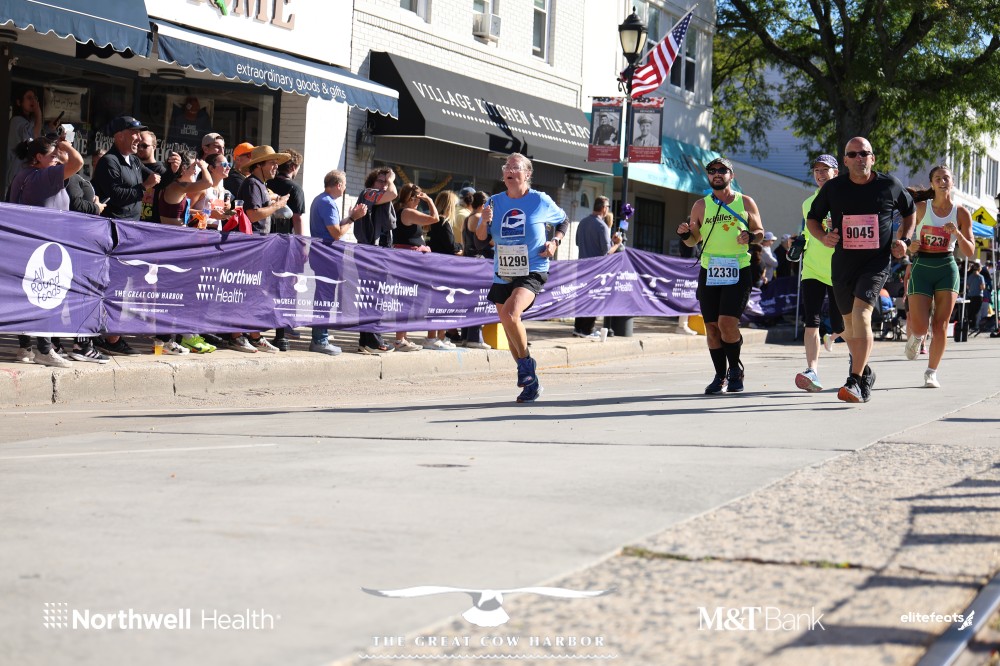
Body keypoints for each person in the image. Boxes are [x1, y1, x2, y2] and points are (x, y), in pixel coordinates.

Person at [806, 137, 915, 403]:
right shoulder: (833, 188)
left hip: (876, 263)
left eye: (864, 153)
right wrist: (823, 237)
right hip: (843, 263)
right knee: (849, 326)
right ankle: (865, 372)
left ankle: (854, 380)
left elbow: (910, 211)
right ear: (845, 161)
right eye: (853, 154)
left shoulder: (889, 185)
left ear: (872, 158)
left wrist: (905, 239)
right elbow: (812, 219)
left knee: (861, 314)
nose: (859, 158)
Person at [7, 136, 107, 366]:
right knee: (45, 297)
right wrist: (66, 146)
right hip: (45, 247)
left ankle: (25, 348)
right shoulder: (44, 176)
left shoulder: (22, 175)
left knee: (28, 297)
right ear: (38, 157)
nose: (57, 159)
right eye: (52, 155)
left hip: (26, 246)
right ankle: (44, 350)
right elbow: (78, 162)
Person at [477, 153, 569, 403]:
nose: (509, 170)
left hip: (533, 267)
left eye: (515, 167)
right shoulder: (494, 202)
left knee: (510, 314)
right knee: (509, 330)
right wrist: (483, 222)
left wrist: (555, 241)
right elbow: (481, 240)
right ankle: (531, 383)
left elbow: (563, 221)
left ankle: (526, 365)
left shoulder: (539, 200)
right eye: (506, 166)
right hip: (503, 270)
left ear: (527, 174)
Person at [677, 157, 765, 394]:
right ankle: (719, 376)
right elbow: (693, 240)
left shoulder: (745, 202)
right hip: (710, 270)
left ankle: (734, 370)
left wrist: (750, 236)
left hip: (738, 269)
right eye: (712, 170)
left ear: (731, 175)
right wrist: (684, 234)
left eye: (722, 170)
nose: (717, 173)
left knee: (727, 323)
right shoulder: (700, 206)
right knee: (712, 327)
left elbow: (759, 231)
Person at [902, 167, 973, 388]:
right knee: (920, 327)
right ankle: (916, 337)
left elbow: (970, 251)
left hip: (946, 268)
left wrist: (957, 233)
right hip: (922, 267)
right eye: (938, 178)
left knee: (941, 325)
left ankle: (931, 372)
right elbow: (903, 237)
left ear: (953, 183)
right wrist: (910, 246)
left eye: (946, 178)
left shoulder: (961, 213)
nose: (942, 181)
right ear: (932, 184)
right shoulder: (921, 208)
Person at [794, 154, 846, 393]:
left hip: (839, 269)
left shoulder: (847, 198)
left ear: (836, 172)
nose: (820, 174)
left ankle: (857, 369)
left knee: (842, 325)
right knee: (811, 321)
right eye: (817, 170)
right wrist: (798, 243)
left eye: (825, 169)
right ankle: (812, 371)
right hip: (812, 268)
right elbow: (808, 232)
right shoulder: (807, 203)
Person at [308, 169, 368, 355]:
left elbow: (332, 229)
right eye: (345, 185)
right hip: (327, 257)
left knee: (323, 296)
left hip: (323, 255)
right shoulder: (327, 202)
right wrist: (353, 218)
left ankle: (320, 337)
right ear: (339, 185)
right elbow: (336, 233)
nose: (345, 189)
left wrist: (349, 218)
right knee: (324, 298)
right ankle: (320, 340)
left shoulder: (321, 200)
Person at [393, 183, 443, 351]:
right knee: (406, 299)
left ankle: (403, 338)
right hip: (409, 261)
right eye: (418, 198)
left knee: (408, 298)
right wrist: (430, 201)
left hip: (408, 260)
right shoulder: (407, 212)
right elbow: (435, 218)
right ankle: (400, 339)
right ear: (411, 198)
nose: (419, 201)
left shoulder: (403, 211)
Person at [354, 166, 398, 354]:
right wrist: (391, 179)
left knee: (373, 297)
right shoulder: (369, 193)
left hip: (379, 253)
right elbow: (393, 193)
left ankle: (366, 342)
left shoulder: (381, 199)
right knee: (373, 298)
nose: (384, 185)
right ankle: (373, 341)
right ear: (372, 182)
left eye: (385, 181)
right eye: (381, 181)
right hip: (370, 253)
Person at [573, 195, 622, 339]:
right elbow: (606, 252)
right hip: (595, 270)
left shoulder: (582, 222)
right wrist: (617, 244)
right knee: (593, 298)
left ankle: (578, 328)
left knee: (581, 298)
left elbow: (577, 242)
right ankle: (587, 330)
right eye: (608, 207)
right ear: (603, 208)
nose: (608, 209)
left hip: (581, 267)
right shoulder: (602, 226)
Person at [460, 191, 493, 350]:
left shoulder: (468, 218)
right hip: (479, 263)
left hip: (468, 261)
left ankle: (466, 336)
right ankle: (475, 338)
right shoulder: (480, 218)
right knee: (479, 300)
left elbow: (464, 242)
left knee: (469, 300)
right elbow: (491, 241)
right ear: (483, 205)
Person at [266, 148, 305, 235]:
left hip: (266, 234)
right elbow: (297, 219)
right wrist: (301, 241)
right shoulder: (296, 189)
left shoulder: (267, 183)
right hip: (284, 237)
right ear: (293, 167)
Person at [138, 131, 169, 222]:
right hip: (130, 219)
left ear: (154, 147)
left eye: (144, 146)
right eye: (138, 145)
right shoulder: (131, 165)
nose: (140, 148)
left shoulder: (161, 170)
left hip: (151, 223)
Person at [965, 260, 986, 333]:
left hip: (970, 296)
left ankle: (970, 325)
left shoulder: (970, 276)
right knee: (977, 312)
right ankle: (975, 326)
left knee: (970, 311)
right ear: (979, 268)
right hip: (978, 296)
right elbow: (982, 287)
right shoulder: (980, 277)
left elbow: (967, 286)